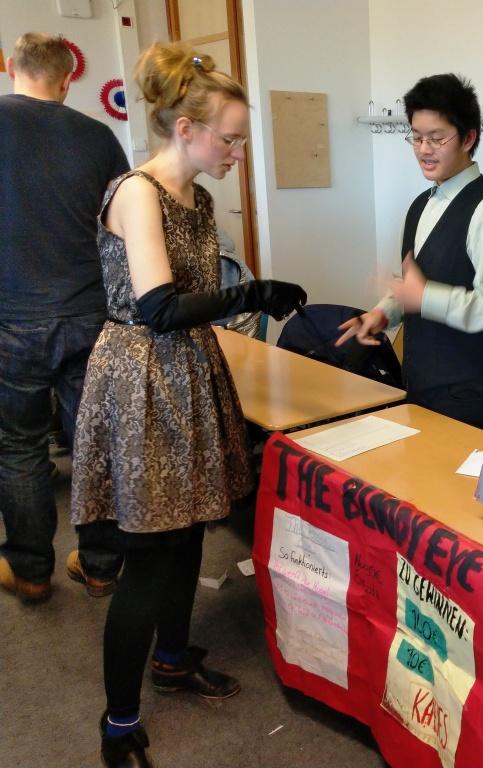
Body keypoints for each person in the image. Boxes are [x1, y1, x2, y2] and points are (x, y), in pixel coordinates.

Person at [70, 42, 306, 767]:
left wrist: (244, 297)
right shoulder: (137, 192)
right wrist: (253, 294)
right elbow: (160, 307)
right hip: (143, 379)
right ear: (186, 129)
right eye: (229, 138)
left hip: (187, 373)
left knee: (190, 531)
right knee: (149, 553)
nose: (237, 151)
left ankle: (172, 659)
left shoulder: (198, 198)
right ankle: (118, 722)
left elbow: (194, 305)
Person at [0, 32, 128, 604]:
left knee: (18, 446)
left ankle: (29, 571)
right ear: (68, 79)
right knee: (94, 443)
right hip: (90, 314)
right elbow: (122, 226)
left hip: (11, 317)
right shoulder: (98, 137)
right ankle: (101, 565)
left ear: (10, 67)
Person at [337, 73, 483, 430]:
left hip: (469, 395)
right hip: (420, 383)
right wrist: (383, 313)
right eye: (416, 137)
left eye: (436, 138)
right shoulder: (420, 204)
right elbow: (412, 286)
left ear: (468, 138)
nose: (423, 149)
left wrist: (424, 297)